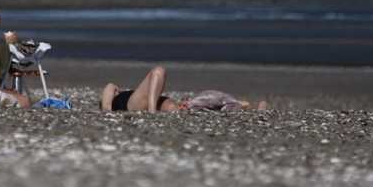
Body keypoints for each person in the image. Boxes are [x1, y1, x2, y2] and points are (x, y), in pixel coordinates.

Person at [101, 65, 269, 112]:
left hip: (158, 101)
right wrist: (107, 108)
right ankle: (152, 112)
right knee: (158, 71)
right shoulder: (115, 94)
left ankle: (250, 108)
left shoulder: (128, 93)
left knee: (192, 107)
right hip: (133, 104)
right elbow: (109, 89)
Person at [100, 65, 178, 112]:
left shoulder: (120, 95)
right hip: (130, 104)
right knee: (159, 71)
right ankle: (152, 112)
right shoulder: (113, 96)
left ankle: (152, 109)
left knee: (172, 107)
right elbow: (106, 107)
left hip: (141, 102)